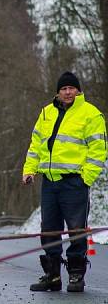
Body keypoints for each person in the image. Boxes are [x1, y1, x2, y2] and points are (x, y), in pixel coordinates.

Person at [22, 71, 106, 292]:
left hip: (74, 183)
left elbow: (98, 151)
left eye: (72, 88)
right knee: (49, 229)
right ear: (57, 92)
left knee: (76, 230)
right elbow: (35, 146)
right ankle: (52, 276)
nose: (68, 92)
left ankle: (76, 276)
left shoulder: (91, 114)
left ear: (78, 91)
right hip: (50, 182)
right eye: (64, 89)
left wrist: (85, 178)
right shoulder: (46, 113)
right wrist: (29, 170)